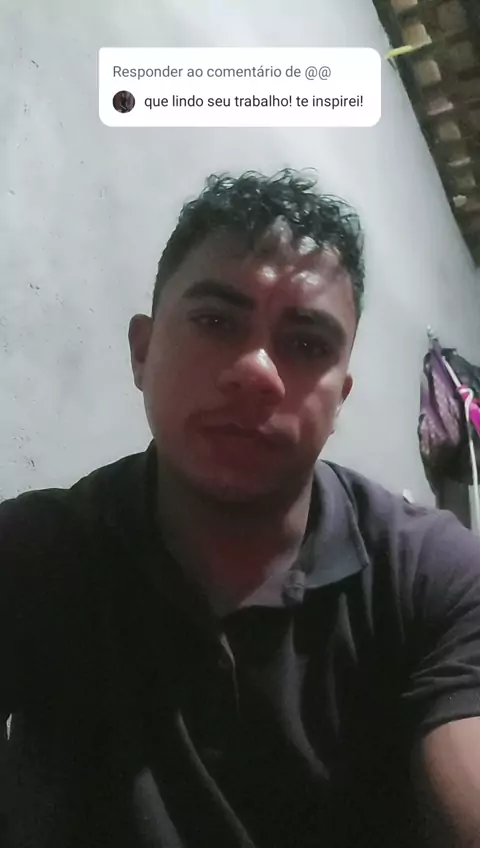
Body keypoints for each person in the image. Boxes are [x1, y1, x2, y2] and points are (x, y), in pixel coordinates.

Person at [1, 169, 480, 848]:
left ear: (339, 400)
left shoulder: (434, 576)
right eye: (215, 321)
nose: (257, 372)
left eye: (307, 343)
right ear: (142, 352)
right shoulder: (33, 552)